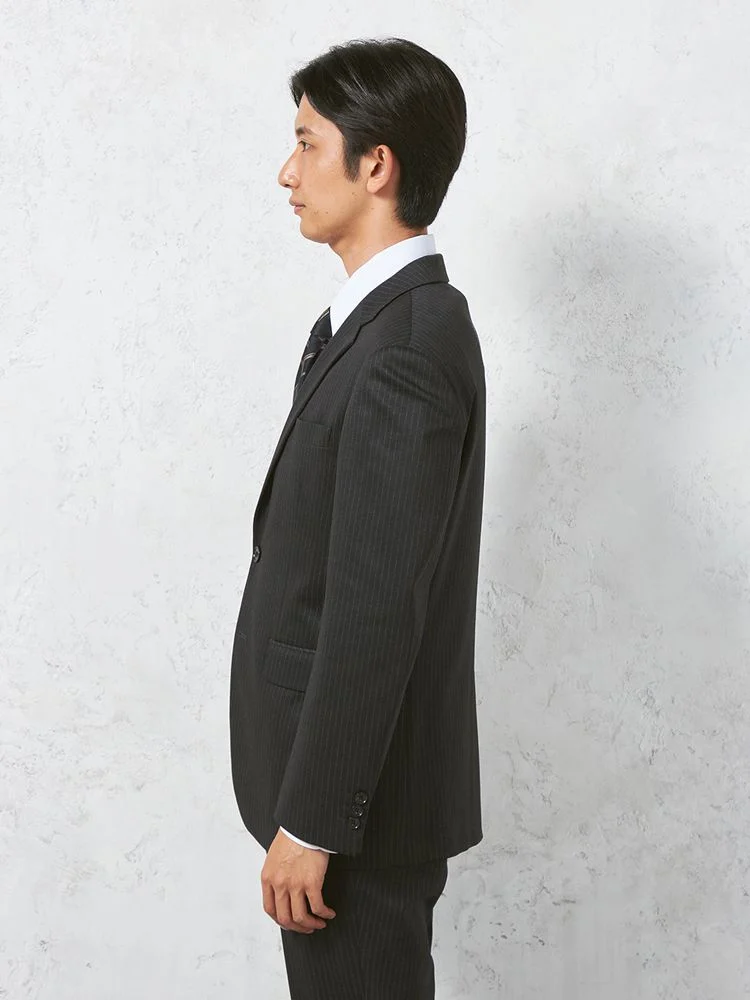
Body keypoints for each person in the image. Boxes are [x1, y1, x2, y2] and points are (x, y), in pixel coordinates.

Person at [229, 36, 486, 999]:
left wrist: (315, 821)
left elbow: (376, 606)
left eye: (307, 143)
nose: (286, 172)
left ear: (376, 165)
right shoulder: (369, 327)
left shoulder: (405, 345)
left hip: (354, 817)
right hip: (343, 799)